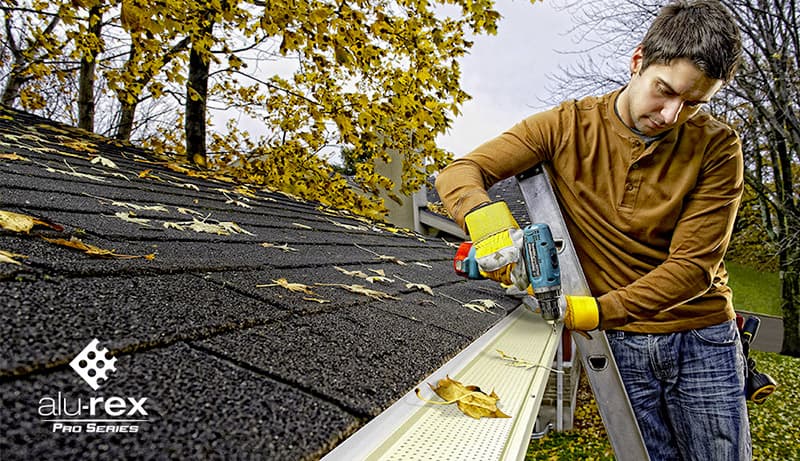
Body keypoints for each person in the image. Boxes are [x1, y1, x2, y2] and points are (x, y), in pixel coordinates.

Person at [435, 1, 750, 459]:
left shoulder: (718, 148)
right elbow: (460, 172)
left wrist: (590, 312)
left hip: (699, 335)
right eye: (664, 91)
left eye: (693, 103)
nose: (670, 115)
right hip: (621, 343)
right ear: (638, 61)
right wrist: (495, 233)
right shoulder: (565, 126)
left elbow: (693, 268)